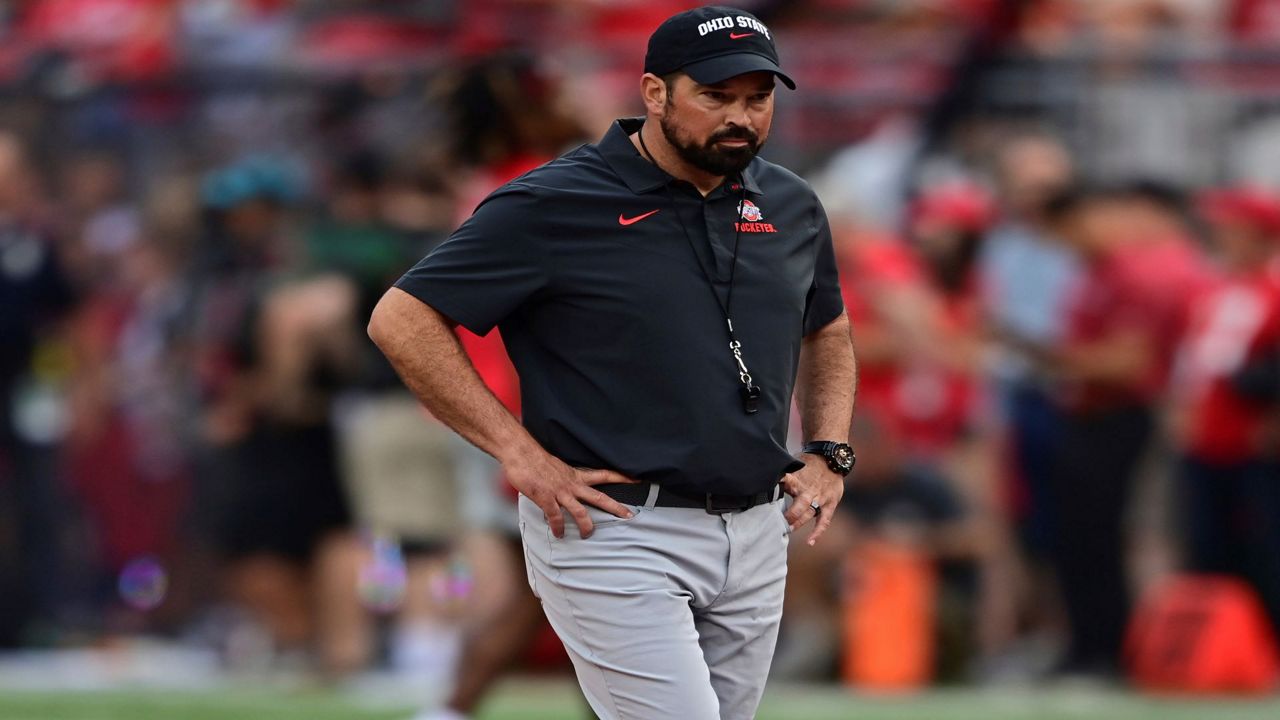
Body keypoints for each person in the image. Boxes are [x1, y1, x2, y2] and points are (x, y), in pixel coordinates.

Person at [368, 7, 857, 719]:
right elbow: (401, 318)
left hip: (755, 528)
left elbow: (831, 330)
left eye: (757, 99)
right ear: (654, 93)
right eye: (715, 96)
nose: (741, 118)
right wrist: (518, 453)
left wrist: (829, 451)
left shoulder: (790, 201)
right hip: (615, 524)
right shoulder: (555, 199)